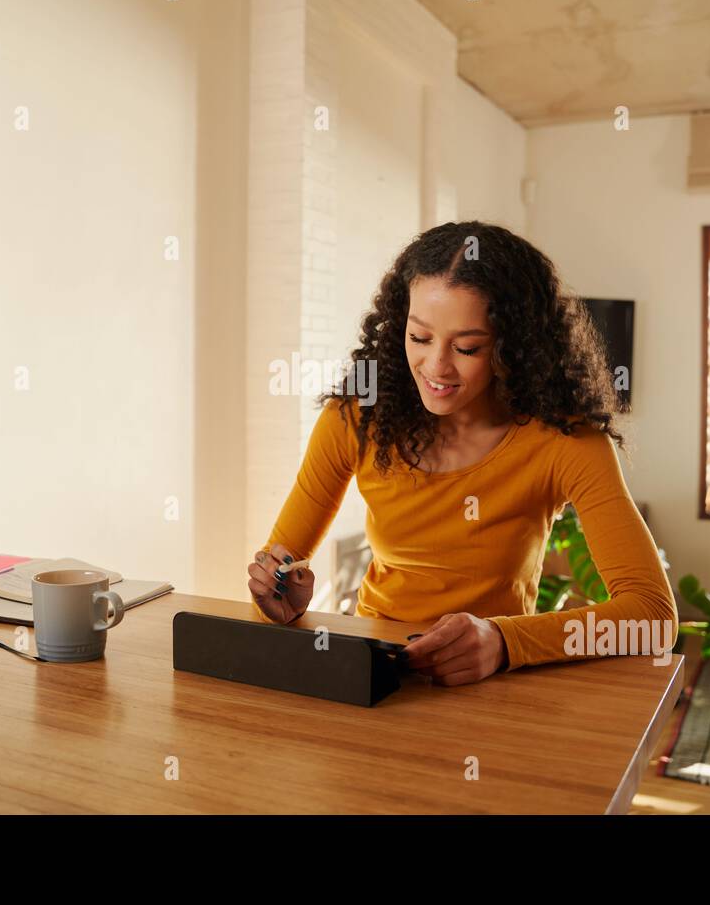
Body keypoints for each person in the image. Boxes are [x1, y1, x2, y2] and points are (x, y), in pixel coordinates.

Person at [247, 221, 677, 685]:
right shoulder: (355, 420)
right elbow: (279, 569)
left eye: (467, 347)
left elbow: (652, 616)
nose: (436, 366)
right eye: (419, 337)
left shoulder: (566, 443)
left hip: (494, 683)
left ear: (514, 347)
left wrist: (503, 641)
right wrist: (277, 601)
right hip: (375, 671)